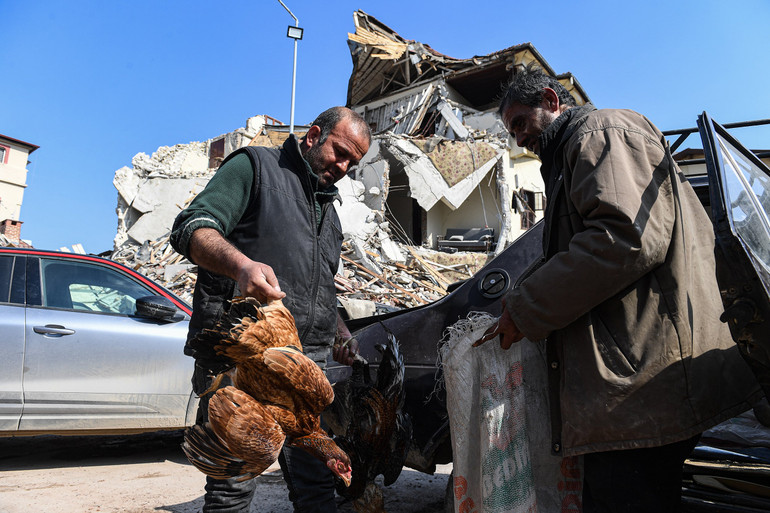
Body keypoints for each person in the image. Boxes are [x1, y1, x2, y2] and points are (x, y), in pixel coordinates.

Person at [475, 65, 762, 512]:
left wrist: (527, 307)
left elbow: (623, 240)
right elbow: (574, 254)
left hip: (638, 384)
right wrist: (518, 302)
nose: (517, 140)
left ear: (551, 101)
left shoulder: (600, 132)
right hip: (634, 385)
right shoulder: (574, 154)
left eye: (519, 124)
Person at [170, 106, 370, 513]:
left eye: (355, 161)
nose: (345, 166)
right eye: (341, 152)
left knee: (317, 484)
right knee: (234, 485)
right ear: (314, 135)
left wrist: (340, 333)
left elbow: (316, 290)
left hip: (306, 367)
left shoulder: (329, 217)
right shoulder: (255, 167)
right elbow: (192, 227)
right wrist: (240, 265)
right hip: (243, 362)